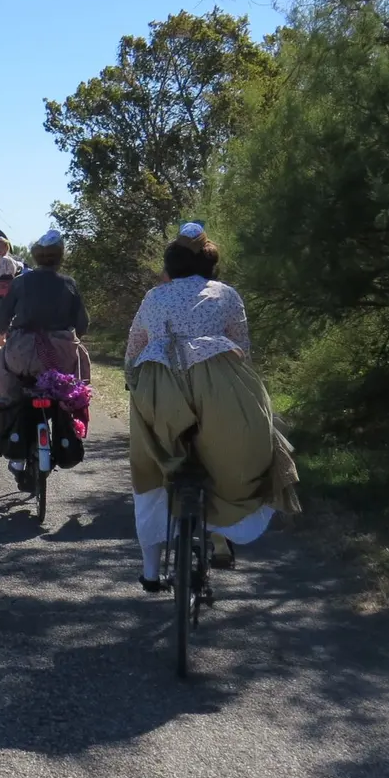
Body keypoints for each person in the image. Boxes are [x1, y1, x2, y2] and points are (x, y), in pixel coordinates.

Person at [126, 223, 299, 591]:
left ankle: (151, 571)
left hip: (161, 387)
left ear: (170, 264)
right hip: (219, 384)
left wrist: (134, 382)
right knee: (241, 450)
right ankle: (221, 536)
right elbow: (243, 349)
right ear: (209, 263)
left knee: (152, 469)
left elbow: (134, 349)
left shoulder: (154, 298)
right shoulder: (226, 295)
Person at [0, 229, 91, 483]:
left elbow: (2, 320)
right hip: (59, 356)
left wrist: (1, 335)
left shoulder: (21, 282)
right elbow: (83, 324)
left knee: (3, 380)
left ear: (36, 256)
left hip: (23, 352)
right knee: (74, 382)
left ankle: (13, 441)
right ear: (60, 257)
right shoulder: (69, 284)